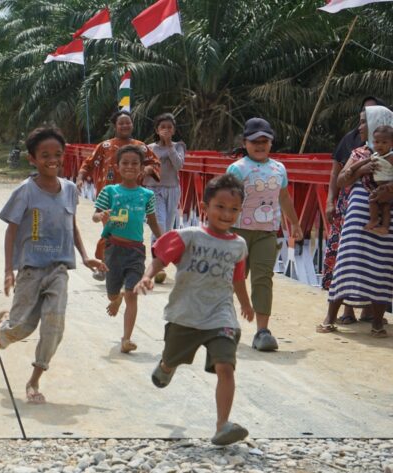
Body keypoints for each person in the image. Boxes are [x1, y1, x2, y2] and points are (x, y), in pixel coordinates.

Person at [135, 173, 254, 446]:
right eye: (220, 207)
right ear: (205, 207)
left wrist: (246, 304)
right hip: (186, 314)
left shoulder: (239, 245)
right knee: (172, 358)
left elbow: (237, 278)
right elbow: (161, 257)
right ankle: (166, 365)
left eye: (234, 209)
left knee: (226, 367)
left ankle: (222, 425)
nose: (227, 214)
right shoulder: (188, 236)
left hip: (221, 315)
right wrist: (147, 276)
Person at [0, 127, 106, 404]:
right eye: (44, 155)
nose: (52, 160)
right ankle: (3, 329)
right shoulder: (25, 191)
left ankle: (34, 380)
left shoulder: (69, 190)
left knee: (54, 327)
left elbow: (72, 225)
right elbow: (11, 230)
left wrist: (85, 256)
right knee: (22, 328)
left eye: (57, 154)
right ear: (32, 158)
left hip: (59, 270)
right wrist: (8, 270)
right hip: (31, 270)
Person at [226, 118, 303, 351]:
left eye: (264, 141)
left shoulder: (279, 168)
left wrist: (295, 223)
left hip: (267, 232)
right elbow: (225, 198)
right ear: (245, 143)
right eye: (255, 142)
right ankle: (225, 324)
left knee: (263, 279)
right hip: (237, 232)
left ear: (271, 143)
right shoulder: (237, 168)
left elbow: (284, 198)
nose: (260, 146)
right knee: (232, 279)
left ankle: (262, 332)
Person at [318, 105, 393, 338]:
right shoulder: (359, 152)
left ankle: (377, 323)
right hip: (357, 217)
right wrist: (361, 170)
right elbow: (341, 180)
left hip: (386, 218)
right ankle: (330, 318)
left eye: (364, 122)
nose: (359, 127)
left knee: (381, 266)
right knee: (347, 262)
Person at [93, 145, 162, 353]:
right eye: (125, 163)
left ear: (141, 168)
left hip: (136, 251)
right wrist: (100, 215)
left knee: (132, 293)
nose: (130, 167)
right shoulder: (109, 191)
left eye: (135, 163)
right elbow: (95, 215)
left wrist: (164, 241)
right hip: (113, 249)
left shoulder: (147, 195)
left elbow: (152, 221)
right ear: (117, 166)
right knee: (111, 294)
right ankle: (117, 298)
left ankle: (126, 338)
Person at [75, 110, 160, 280]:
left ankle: (128, 266)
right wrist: (80, 178)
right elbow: (89, 163)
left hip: (134, 197)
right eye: (121, 123)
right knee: (111, 230)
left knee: (129, 232)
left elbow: (155, 163)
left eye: (128, 122)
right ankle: (105, 266)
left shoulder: (141, 147)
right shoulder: (105, 146)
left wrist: (148, 169)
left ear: (132, 125)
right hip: (110, 197)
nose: (125, 126)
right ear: (115, 126)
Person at [147, 113, 186, 284]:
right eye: (163, 127)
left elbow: (179, 165)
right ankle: (158, 266)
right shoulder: (149, 148)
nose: (166, 130)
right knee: (159, 225)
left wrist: (169, 146)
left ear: (174, 130)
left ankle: (161, 260)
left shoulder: (179, 146)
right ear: (157, 130)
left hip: (172, 189)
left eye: (169, 127)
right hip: (154, 190)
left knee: (168, 228)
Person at [364, 125, 393, 234]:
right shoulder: (375, 155)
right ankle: (384, 227)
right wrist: (351, 169)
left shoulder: (391, 157)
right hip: (381, 186)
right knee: (385, 206)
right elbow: (364, 162)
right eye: (377, 142)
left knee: (372, 198)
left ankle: (374, 219)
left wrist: (390, 184)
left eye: (384, 142)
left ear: (392, 144)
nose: (380, 145)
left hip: (387, 185)